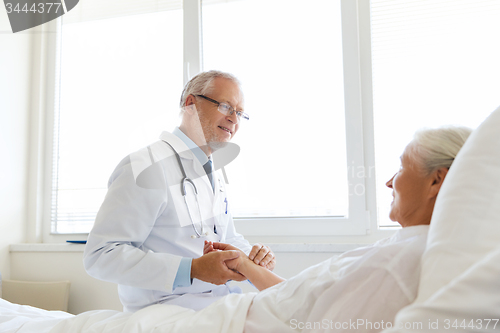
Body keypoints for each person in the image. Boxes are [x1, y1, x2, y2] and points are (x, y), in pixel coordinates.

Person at [205, 126, 472, 332]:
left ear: (437, 180)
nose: (389, 182)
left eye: (402, 167)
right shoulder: (409, 247)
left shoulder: (396, 262)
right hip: (238, 313)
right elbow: (304, 303)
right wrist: (245, 265)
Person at [83, 70, 276, 313]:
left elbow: (225, 237)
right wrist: (193, 269)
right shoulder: (145, 166)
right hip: (166, 312)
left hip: (219, 305)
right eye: (226, 107)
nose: (234, 120)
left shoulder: (212, 173)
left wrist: (253, 257)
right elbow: (101, 256)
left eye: (239, 113)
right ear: (191, 103)